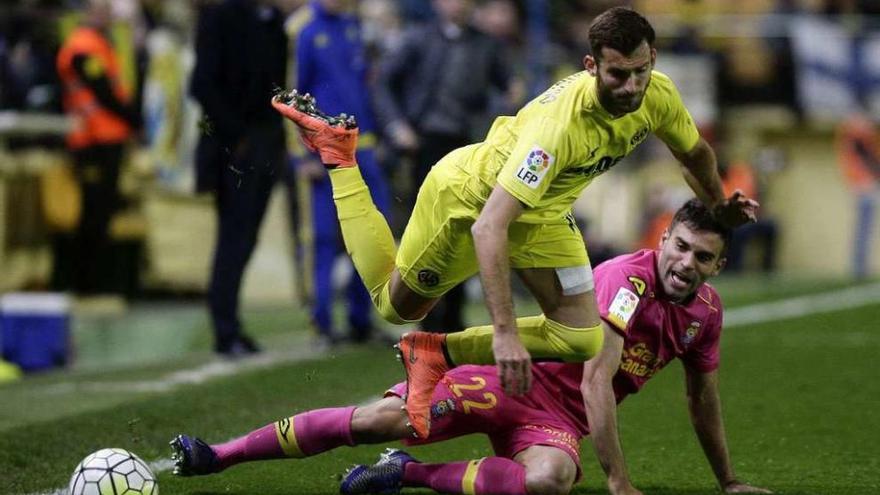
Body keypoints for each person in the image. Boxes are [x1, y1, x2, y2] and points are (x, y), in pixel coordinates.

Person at [272, 6, 759, 438]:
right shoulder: (558, 130)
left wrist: (718, 206)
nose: (632, 87)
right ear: (591, 67)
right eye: (617, 75)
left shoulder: (659, 94)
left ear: (652, 58)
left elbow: (693, 152)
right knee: (396, 307)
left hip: (543, 215)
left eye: (641, 72)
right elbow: (490, 227)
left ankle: (436, 352)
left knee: (581, 337)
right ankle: (341, 159)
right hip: (469, 203)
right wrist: (503, 334)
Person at [169, 199, 771, 495]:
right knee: (384, 418)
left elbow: (703, 399)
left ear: (718, 266)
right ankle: (217, 455)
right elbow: (595, 381)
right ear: (663, 239)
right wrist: (619, 482)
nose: (685, 263)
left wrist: (729, 481)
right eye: (680, 246)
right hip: (507, 381)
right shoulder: (625, 281)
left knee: (550, 480)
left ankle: (407, 475)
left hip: (554, 424)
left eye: (702, 257)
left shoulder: (706, 316)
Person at [372, 0, 521, 333]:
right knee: (424, 232)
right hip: (424, 145)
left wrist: (496, 113)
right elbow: (383, 84)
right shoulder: (417, 39)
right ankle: (421, 314)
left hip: (469, 149)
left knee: (465, 231)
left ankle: (450, 317)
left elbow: (510, 89)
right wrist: (397, 126)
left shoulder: (487, 45)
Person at [286, 0, 392, 347]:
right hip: (323, 151)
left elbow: (366, 87)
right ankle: (321, 322)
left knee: (371, 234)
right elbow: (290, 95)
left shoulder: (354, 27)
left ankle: (360, 319)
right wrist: (302, 154)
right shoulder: (301, 29)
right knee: (323, 238)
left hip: (364, 147)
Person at [190, 0, 289, 356]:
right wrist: (237, 136)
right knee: (233, 237)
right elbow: (201, 84)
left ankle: (231, 324)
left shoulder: (272, 20)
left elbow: (273, 85)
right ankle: (224, 328)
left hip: (264, 144)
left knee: (245, 238)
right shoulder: (221, 16)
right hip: (233, 148)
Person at [56, 0, 139, 294]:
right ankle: (86, 284)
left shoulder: (99, 43)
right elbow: (103, 92)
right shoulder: (82, 47)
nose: (108, 15)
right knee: (93, 214)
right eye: (102, 9)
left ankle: (94, 283)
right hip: (93, 140)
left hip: (107, 138)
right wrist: (133, 119)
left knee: (101, 213)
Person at [835, 113, 880, 279]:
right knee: (863, 228)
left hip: (862, 185)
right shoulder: (857, 134)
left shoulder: (852, 133)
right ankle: (859, 268)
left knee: (863, 228)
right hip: (864, 186)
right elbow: (867, 159)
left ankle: (859, 267)